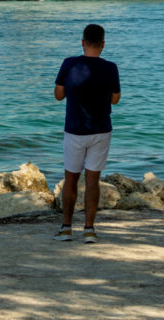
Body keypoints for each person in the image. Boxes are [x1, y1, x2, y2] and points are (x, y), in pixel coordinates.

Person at [53, 24, 121, 243]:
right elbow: (115, 99)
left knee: (70, 179)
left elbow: (58, 95)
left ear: (82, 42)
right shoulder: (110, 67)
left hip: (74, 130)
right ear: (103, 45)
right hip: (101, 130)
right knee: (93, 180)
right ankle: (89, 230)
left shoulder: (69, 64)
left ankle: (66, 228)